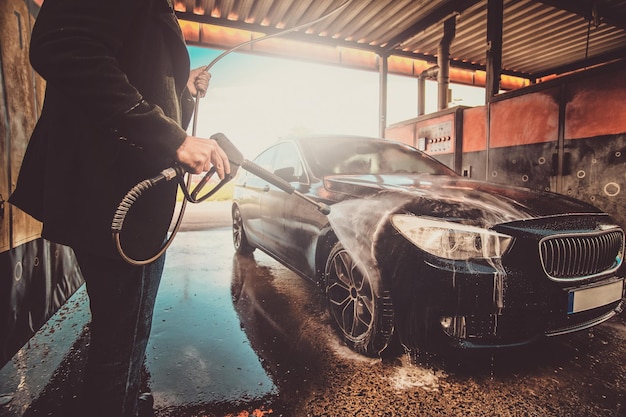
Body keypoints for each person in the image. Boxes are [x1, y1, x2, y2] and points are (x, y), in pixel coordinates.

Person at [9, 1, 231, 416]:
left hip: (120, 196)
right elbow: (64, 45)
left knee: (122, 342)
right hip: (116, 197)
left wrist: (182, 87)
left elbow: (134, 77)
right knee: (120, 350)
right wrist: (175, 139)